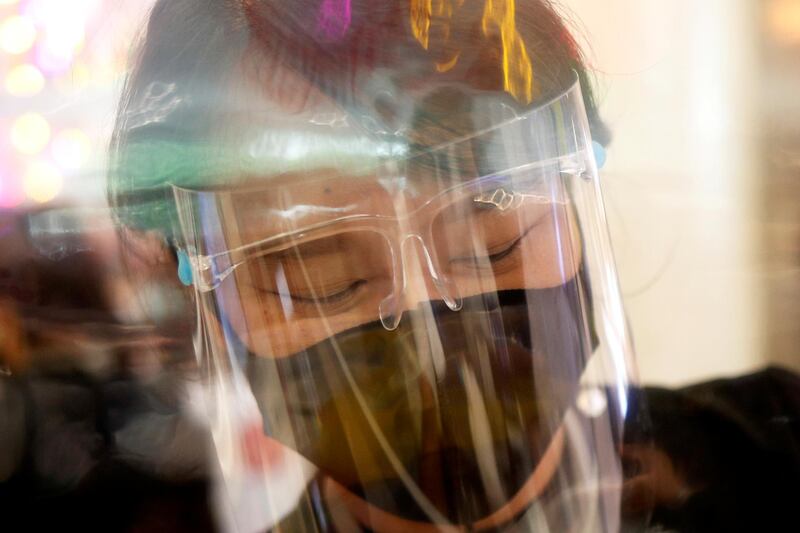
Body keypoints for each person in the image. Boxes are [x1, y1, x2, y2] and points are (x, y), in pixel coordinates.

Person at [107, 1, 799, 532]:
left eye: (496, 238)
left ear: (573, 199)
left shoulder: (772, 448)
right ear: (199, 280)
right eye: (319, 277)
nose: (426, 311)